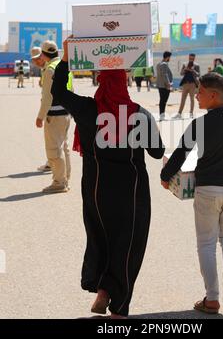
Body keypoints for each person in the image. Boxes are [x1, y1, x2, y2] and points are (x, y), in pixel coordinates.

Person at [51, 38, 165, 319]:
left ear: (101, 82)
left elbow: (58, 92)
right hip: (131, 193)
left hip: (96, 191)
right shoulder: (138, 114)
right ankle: (119, 309)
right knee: (128, 247)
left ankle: (103, 290)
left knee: (101, 238)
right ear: (124, 83)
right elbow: (157, 151)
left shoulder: (89, 109)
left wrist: (66, 59)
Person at [161, 72, 223, 314]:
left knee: (206, 243)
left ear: (213, 96)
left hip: (208, 190)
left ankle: (212, 299)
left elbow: (181, 153)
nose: (197, 95)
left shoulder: (200, 124)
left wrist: (165, 177)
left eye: (200, 92)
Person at [36, 40, 72, 193]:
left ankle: (59, 183)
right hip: (66, 113)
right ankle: (65, 178)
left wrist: (40, 116)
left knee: (53, 149)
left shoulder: (50, 69)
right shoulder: (65, 66)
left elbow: (47, 97)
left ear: (43, 55)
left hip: (55, 115)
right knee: (64, 148)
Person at [173, 54, 200, 119]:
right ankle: (179, 113)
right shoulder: (185, 64)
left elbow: (198, 74)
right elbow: (181, 73)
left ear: (194, 58)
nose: (191, 59)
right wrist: (185, 69)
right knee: (183, 99)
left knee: (192, 99)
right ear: (188, 57)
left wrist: (193, 70)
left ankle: (191, 113)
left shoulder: (196, 65)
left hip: (192, 84)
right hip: (185, 84)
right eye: (190, 58)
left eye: (192, 58)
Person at [156, 52, 173, 121]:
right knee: (163, 101)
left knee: (162, 101)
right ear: (168, 57)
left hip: (160, 85)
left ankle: (161, 115)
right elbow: (165, 75)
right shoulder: (164, 64)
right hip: (165, 86)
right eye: (169, 57)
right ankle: (162, 116)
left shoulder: (158, 64)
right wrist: (168, 84)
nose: (170, 59)